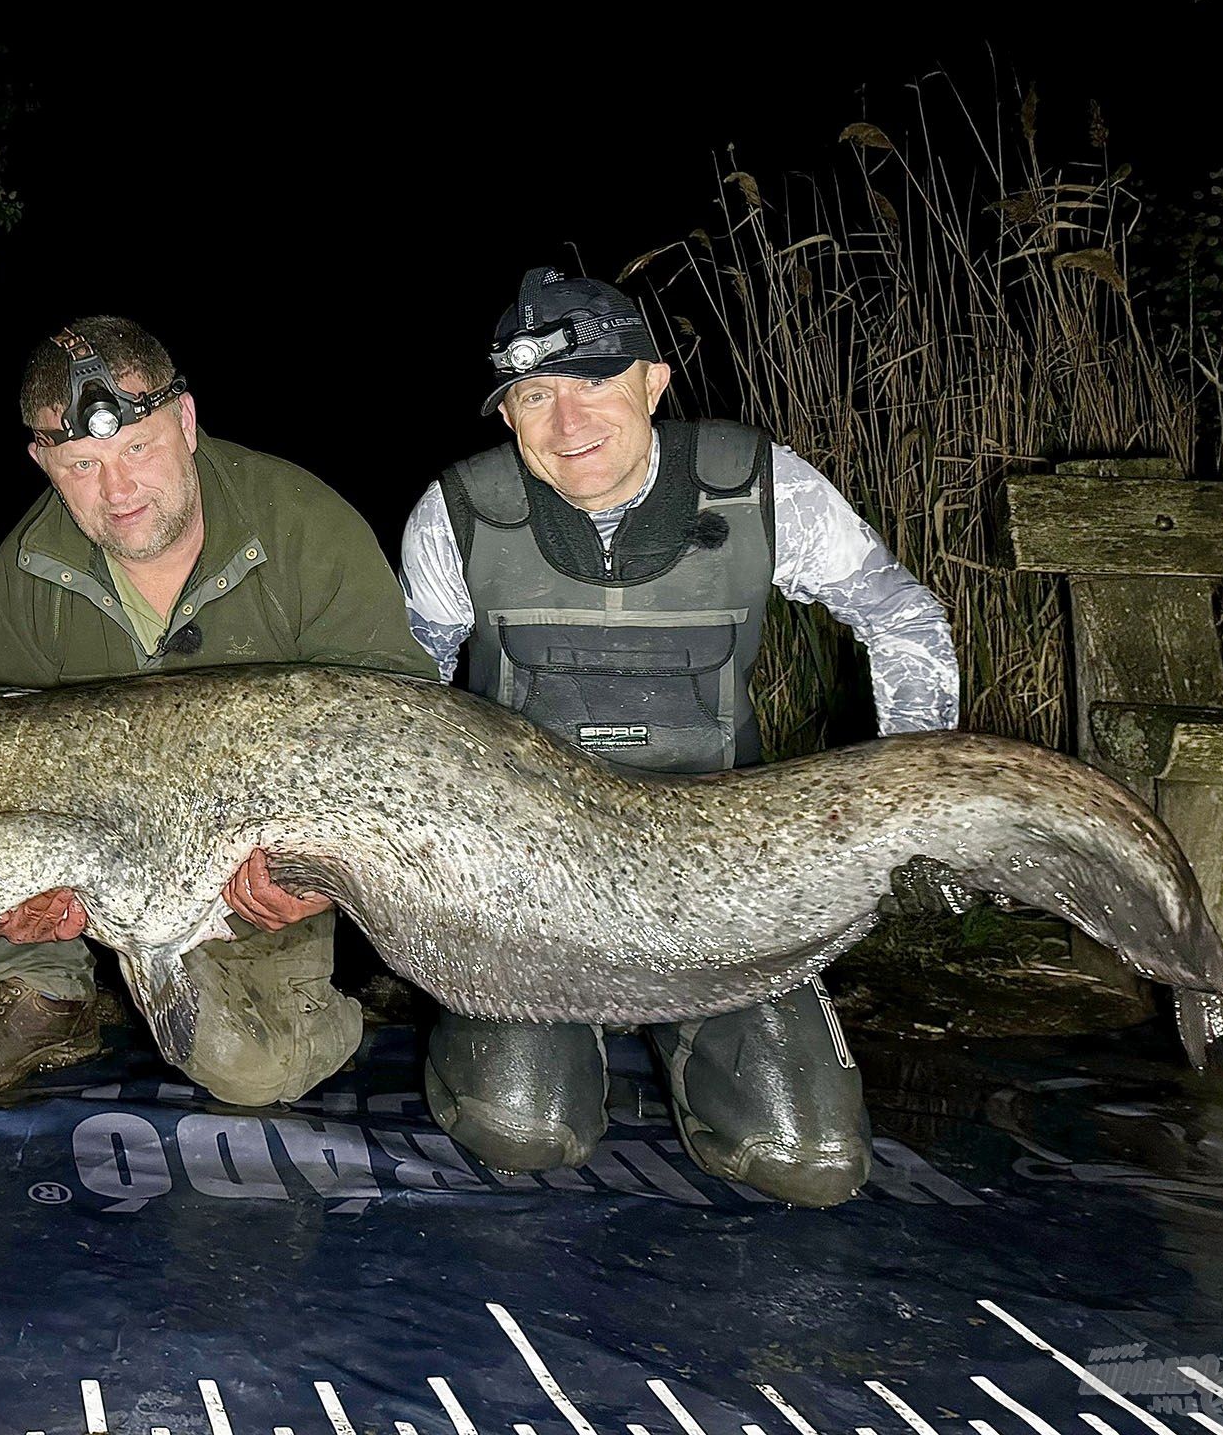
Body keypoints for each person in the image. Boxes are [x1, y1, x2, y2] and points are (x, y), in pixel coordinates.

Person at [400, 267, 959, 1206]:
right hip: (528, 885)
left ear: (654, 383)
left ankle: (698, 1040)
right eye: (534, 394)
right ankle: (553, 1045)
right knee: (522, 1132)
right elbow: (398, 701)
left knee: (810, 1165)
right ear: (508, 414)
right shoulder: (455, 513)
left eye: (594, 384)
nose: (566, 421)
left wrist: (909, 802)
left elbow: (902, 617)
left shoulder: (761, 484)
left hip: (720, 876)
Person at [0, 316, 436, 1107]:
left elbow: (402, 740)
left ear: (188, 423)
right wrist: (11, 898)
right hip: (94, 844)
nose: (119, 490)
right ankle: (48, 993)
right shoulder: (24, 575)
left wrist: (328, 878)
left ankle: (350, 1002)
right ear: (44, 463)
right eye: (84, 464)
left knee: (253, 1070)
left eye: (139, 448)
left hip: (250, 874)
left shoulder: (305, 526)